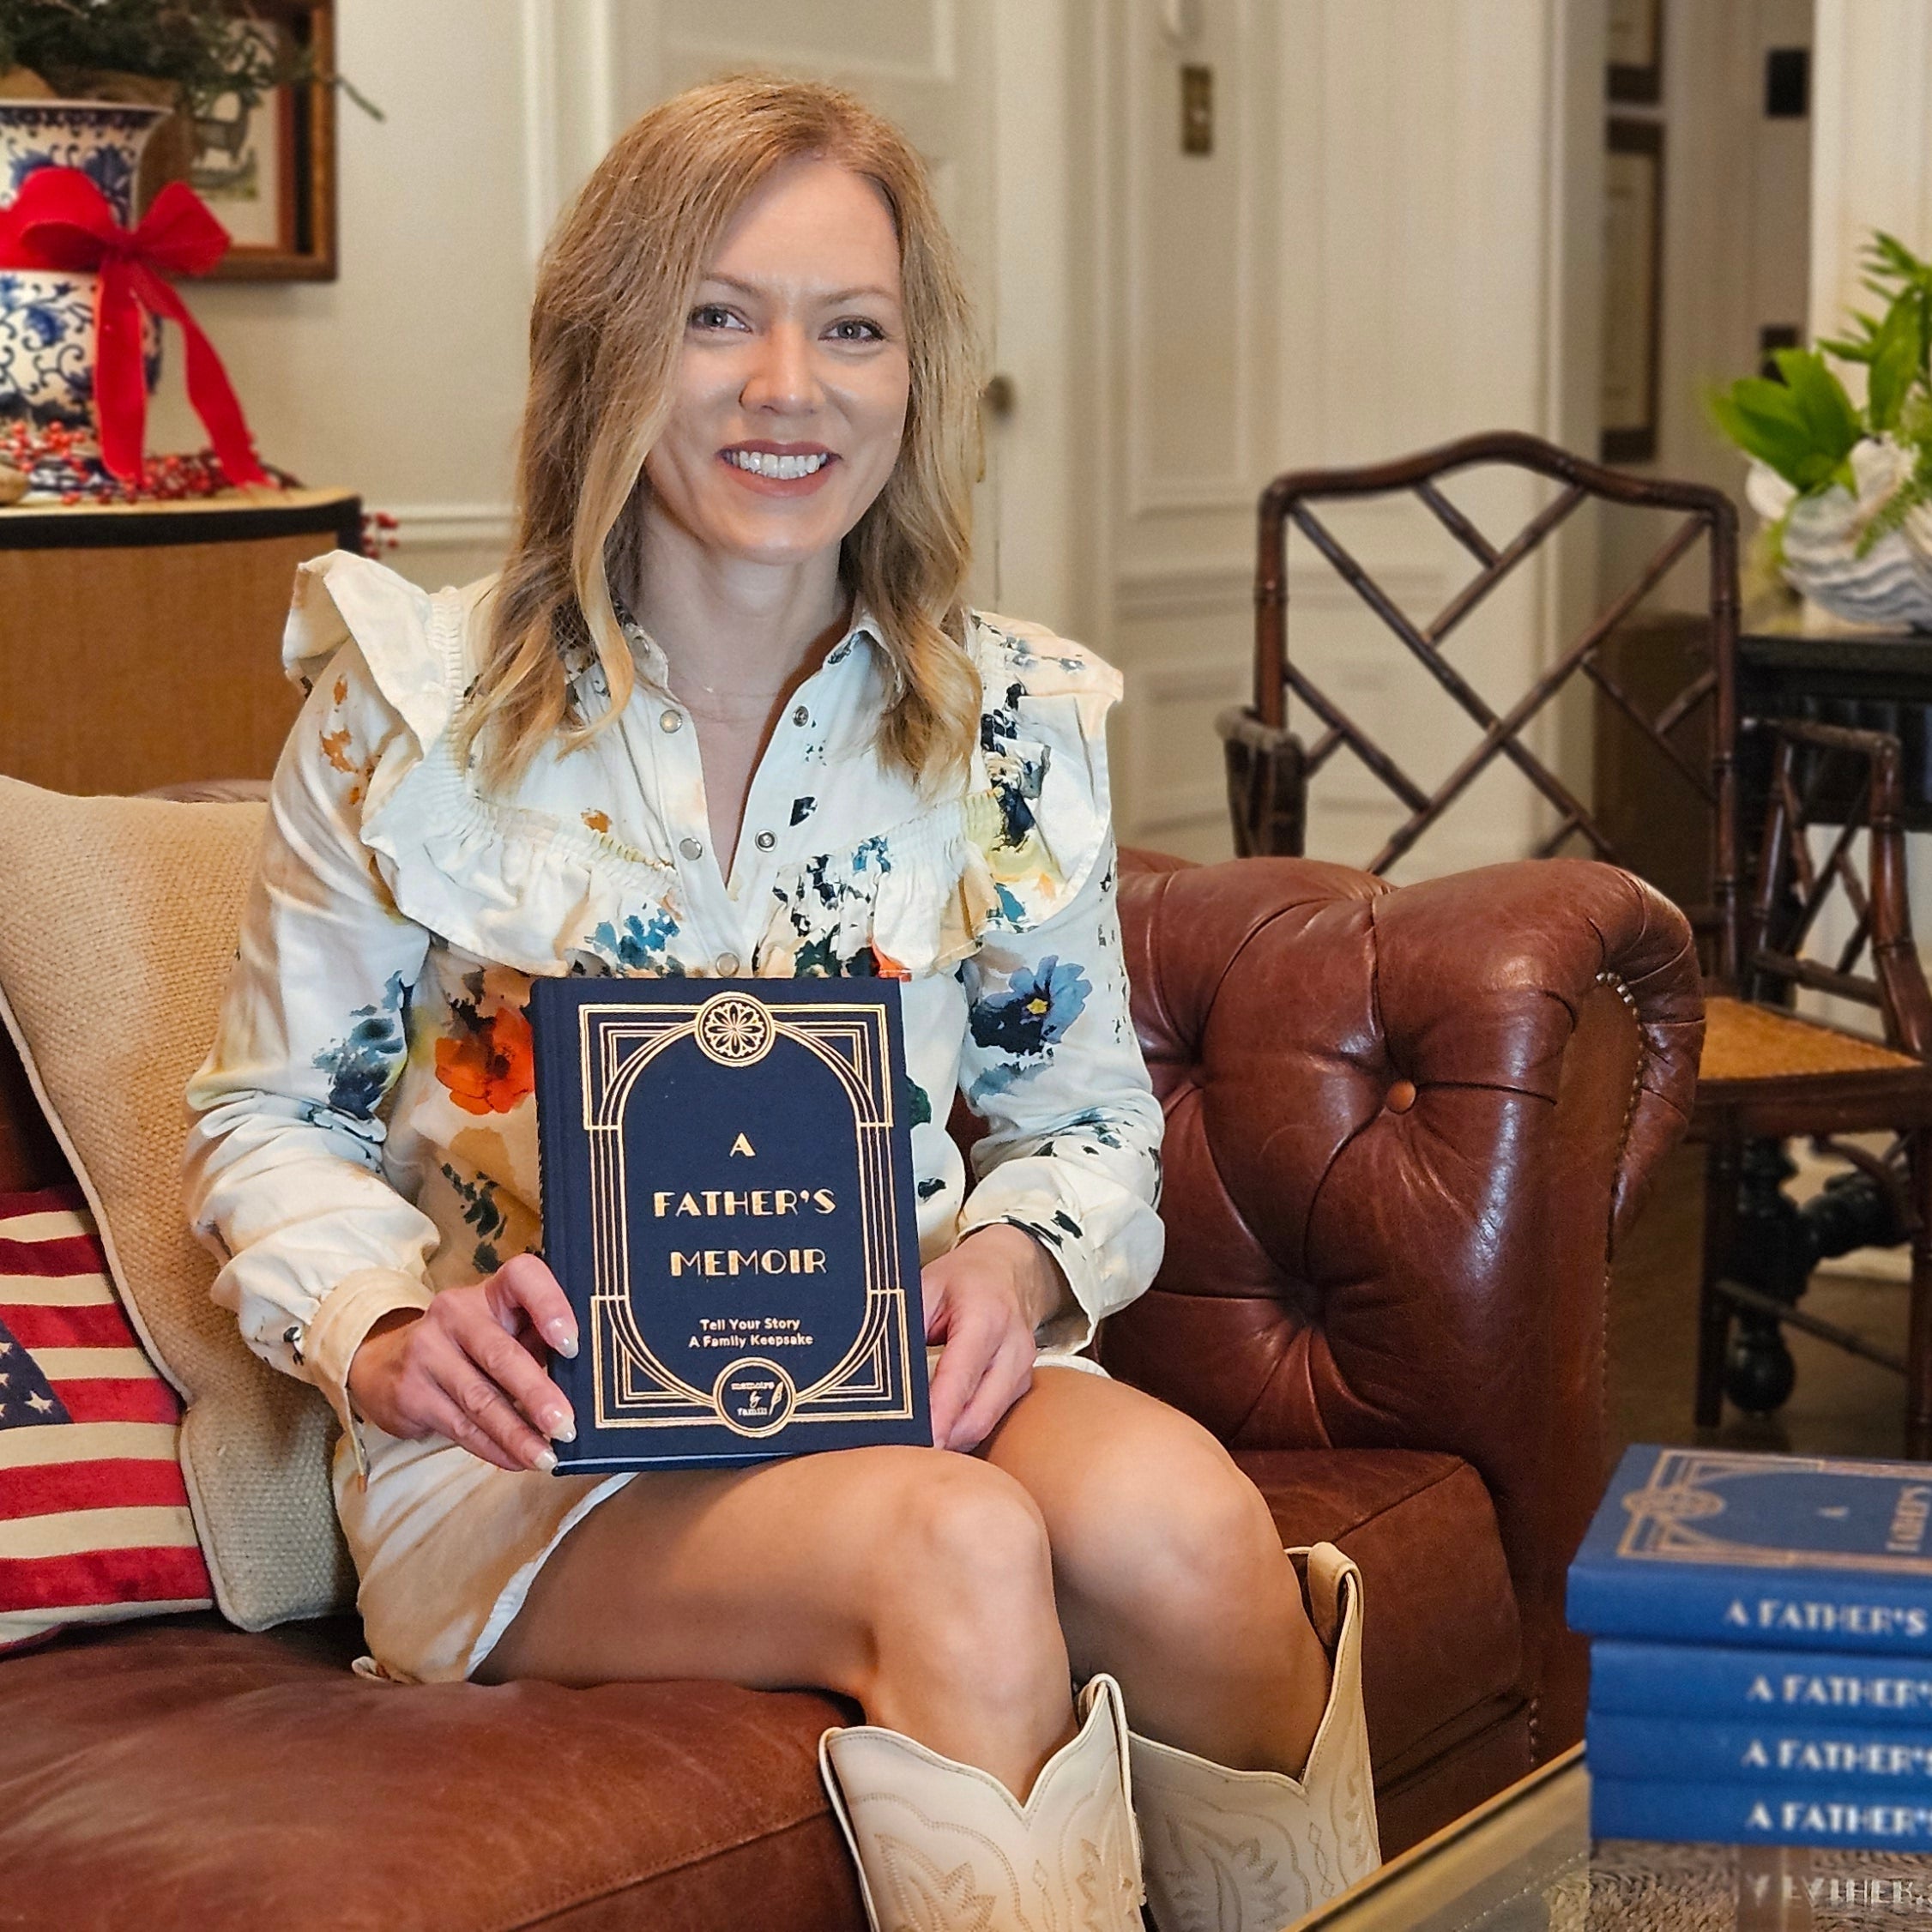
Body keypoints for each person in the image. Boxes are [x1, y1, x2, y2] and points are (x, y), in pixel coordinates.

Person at [183, 75, 1378, 1932]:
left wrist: (1015, 1270)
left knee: (1189, 1524)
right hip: (537, 1457)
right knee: (962, 1544)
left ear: (913, 377)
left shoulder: (1003, 726)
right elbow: (267, 1116)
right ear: (607, 351)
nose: (786, 389)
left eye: (850, 329)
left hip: (887, 1363)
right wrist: (379, 1327)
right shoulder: (405, 708)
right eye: (715, 318)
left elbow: (1083, 1121)